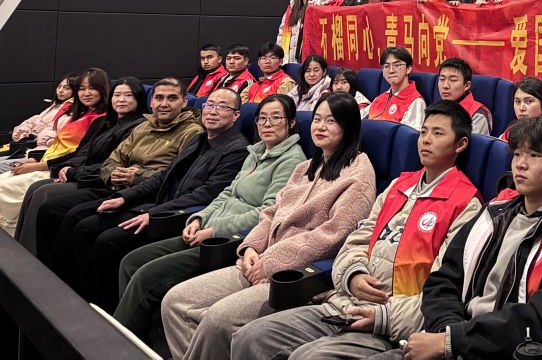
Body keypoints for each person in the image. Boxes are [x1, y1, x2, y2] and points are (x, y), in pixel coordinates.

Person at [229, 102, 484, 360]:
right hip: (346, 302)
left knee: (309, 357)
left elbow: (443, 289)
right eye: (423, 132)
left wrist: (383, 316)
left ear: (460, 144)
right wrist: (353, 275)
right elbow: (356, 241)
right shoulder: (399, 185)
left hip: (390, 319)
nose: (426, 140)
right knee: (250, 337)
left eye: (437, 133)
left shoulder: (465, 203)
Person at [161, 93, 376, 360]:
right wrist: (251, 247)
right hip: (258, 261)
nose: (320, 127)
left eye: (330, 121)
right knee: (175, 302)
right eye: (317, 119)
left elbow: (334, 235)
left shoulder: (358, 173)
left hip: (292, 276)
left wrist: (271, 260)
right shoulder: (305, 168)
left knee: (217, 320)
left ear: (348, 126)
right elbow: (271, 212)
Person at [411, 115, 542, 360]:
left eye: (534, 155)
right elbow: (444, 278)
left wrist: (454, 341)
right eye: (517, 154)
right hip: (456, 339)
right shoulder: (495, 210)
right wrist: (446, 332)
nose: (521, 164)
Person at [112, 94, 307, 340]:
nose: (267, 124)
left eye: (276, 118)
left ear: (291, 123)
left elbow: (267, 213)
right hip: (207, 229)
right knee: (131, 261)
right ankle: (136, 335)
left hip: (231, 240)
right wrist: (199, 219)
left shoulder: (292, 161)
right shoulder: (256, 152)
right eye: (262, 118)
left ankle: (116, 343)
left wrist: (213, 230)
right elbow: (227, 193)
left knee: (146, 276)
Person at [48, 88, 248, 308]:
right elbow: (164, 176)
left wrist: (153, 213)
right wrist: (124, 197)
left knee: (107, 240)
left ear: (236, 115)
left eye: (223, 107)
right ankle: (78, 296)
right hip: (158, 204)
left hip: (179, 216)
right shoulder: (199, 139)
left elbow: (207, 194)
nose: (213, 111)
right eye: (210, 105)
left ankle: (105, 307)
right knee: (85, 224)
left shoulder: (236, 150)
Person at [31, 78, 202, 260]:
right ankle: (45, 267)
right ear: (151, 101)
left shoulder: (192, 132)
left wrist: (136, 176)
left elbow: (176, 174)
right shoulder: (143, 126)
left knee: (78, 219)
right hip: (116, 185)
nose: (164, 104)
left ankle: (62, 274)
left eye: (172, 98)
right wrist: (113, 174)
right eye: (159, 98)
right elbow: (113, 160)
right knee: (50, 209)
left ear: (184, 102)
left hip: (147, 194)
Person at [14, 77, 147, 254]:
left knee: (43, 194)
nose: (121, 100)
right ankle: (21, 248)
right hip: (80, 172)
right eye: (117, 95)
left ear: (139, 98)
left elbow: (110, 164)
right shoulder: (106, 121)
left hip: (97, 180)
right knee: (35, 188)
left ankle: (33, 254)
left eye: (128, 95)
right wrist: (66, 167)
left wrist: (72, 172)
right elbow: (83, 152)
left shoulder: (137, 127)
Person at [0, 68, 109, 234]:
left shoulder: (101, 119)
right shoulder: (80, 112)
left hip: (59, 167)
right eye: (82, 89)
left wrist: (38, 165)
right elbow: (56, 141)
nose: (86, 93)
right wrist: (35, 159)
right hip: (46, 158)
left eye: (92, 88)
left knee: (6, 187)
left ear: (103, 89)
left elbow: (79, 154)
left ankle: (11, 238)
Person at [1, 72, 77, 157]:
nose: (60, 90)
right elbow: (34, 121)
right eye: (59, 86)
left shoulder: (72, 110)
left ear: (76, 90)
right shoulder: (56, 105)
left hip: (43, 151)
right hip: (31, 146)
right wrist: (23, 132)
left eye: (67, 88)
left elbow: (54, 135)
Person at [366, 47, 426, 130]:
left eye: (397, 65)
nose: (391, 70)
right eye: (386, 66)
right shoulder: (379, 99)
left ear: (408, 69)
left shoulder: (416, 102)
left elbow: (410, 136)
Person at [437, 57, 492, 135]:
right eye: (442, 79)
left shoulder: (477, 115)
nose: (445, 86)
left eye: (453, 80)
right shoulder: (436, 108)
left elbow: (471, 143)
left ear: (467, 85)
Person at [277, 0, 317, 64]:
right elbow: (282, 32)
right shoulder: (292, 6)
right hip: (289, 57)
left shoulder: (318, 6)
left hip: (308, 57)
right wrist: (279, 54)